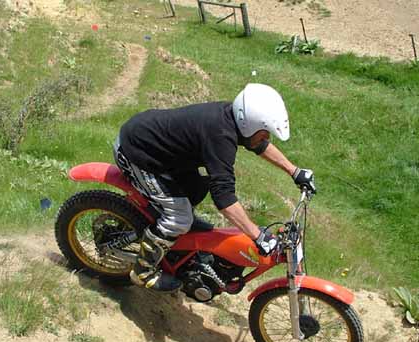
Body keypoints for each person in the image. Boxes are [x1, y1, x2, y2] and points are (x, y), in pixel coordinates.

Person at [113, 83, 316, 293]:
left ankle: (170, 243)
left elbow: (259, 144)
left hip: (162, 152)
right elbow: (224, 199)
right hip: (137, 153)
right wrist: (258, 235)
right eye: (264, 133)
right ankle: (142, 271)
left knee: (197, 188)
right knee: (179, 218)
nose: (267, 138)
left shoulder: (233, 121)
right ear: (249, 125)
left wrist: (295, 171)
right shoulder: (220, 136)